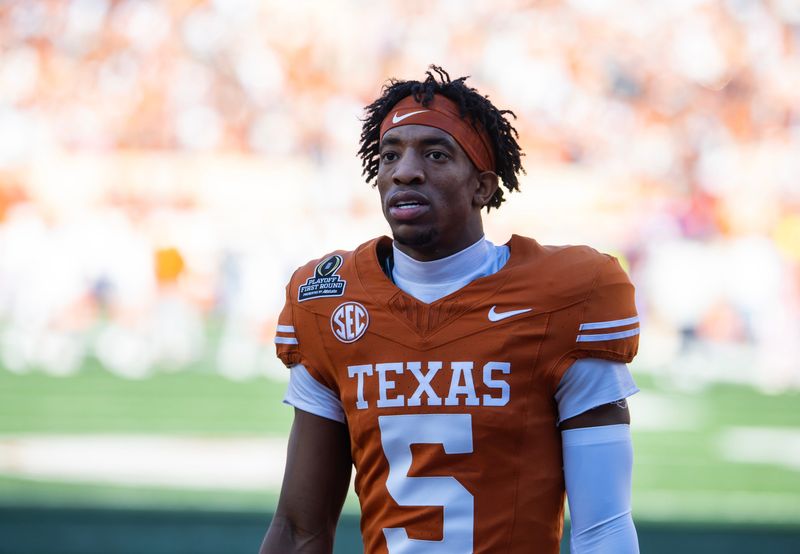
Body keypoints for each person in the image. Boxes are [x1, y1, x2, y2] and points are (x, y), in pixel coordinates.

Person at [260, 66, 640, 554]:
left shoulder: (564, 296)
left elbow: (603, 527)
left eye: (435, 154)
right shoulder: (330, 302)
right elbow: (299, 529)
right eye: (390, 155)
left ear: (482, 188)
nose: (405, 171)